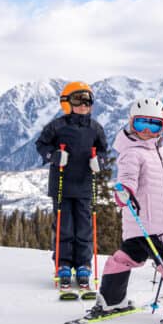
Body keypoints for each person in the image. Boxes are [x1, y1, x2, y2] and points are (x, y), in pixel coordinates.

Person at [92, 98, 163, 320]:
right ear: (131, 123)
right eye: (140, 123)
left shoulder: (159, 151)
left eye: (154, 125)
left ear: (162, 127)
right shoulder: (132, 153)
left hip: (139, 227)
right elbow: (127, 180)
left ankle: (111, 301)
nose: (146, 130)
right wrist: (124, 192)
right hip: (150, 225)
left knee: (124, 258)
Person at [35, 81, 108, 290]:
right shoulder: (57, 126)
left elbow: (104, 150)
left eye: (88, 100)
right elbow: (41, 144)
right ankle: (63, 263)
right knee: (64, 225)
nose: (84, 105)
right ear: (67, 103)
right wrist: (54, 156)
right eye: (78, 100)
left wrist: (99, 162)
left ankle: (84, 264)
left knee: (84, 226)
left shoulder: (95, 128)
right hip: (61, 184)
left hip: (85, 184)